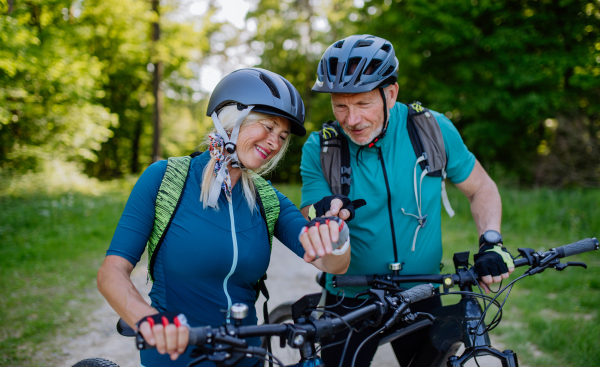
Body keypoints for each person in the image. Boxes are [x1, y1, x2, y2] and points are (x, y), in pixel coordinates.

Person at [97, 68, 351, 367]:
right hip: (176, 357)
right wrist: (148, 321)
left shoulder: (267, 199)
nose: (275, 142)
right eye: (268, 127)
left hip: (249, 359)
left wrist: (335, 237)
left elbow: (330, 263)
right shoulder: (166, 179)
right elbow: (111, 273)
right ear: (231, 119)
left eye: (282, 136)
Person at [300, 35, 515, 367]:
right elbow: (309, 210)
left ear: (391, 93)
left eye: (363, 103)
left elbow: (481, 188)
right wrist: (322, 211)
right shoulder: (322, 147)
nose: (351, 120)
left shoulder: (431, 129)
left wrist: (491, 240)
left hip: (424, 292)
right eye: (340, 105)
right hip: (349, 296)